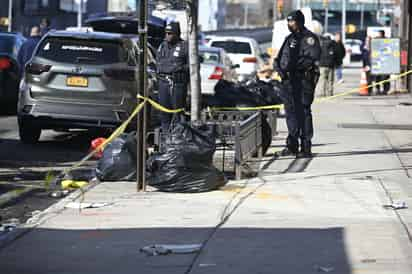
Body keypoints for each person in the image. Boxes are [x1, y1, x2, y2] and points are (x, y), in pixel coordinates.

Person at [273, 10, 321, 158]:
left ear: (299, 21)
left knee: (303, 113)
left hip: (303, 81)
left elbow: (311, 58)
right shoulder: (289, 39)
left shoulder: (309, 39)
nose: (290, 24)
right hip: (288, 82)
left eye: (292, 21)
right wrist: (280, 68)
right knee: (290, 114)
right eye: (288, 21)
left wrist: (293, 68)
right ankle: (292, 145)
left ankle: (305, 147)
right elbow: (280, 57)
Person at [155, 22, 189, 132]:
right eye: (166, 33)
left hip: (177, 84)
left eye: (170, 33)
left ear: (177, 34)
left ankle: (178, 140)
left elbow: (192, 66)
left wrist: (179, 69)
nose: (167, 35)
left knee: (177, 114)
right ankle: (165, 140)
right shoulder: (162, 46)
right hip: (163, 83)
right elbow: (158, 62)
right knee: (164, 114)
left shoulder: (184, 46)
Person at [315, 33, 337, 97]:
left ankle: (322, 93)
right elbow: (337, 55)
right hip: (331, 65)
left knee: (322, 79)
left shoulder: (321, 45)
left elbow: (317, 54)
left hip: (322, 65)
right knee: (330, 80)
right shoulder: (333, 45)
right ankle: (330, 93)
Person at [373, 30, 390, 95]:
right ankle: (378, 89)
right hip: (378, 61)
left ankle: (385, 90)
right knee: (377, 77)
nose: (379, 35)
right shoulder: (376, 40)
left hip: (385, 62)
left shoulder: (386, 41)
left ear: (382, 34)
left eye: (379, 34)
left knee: (385, 77)